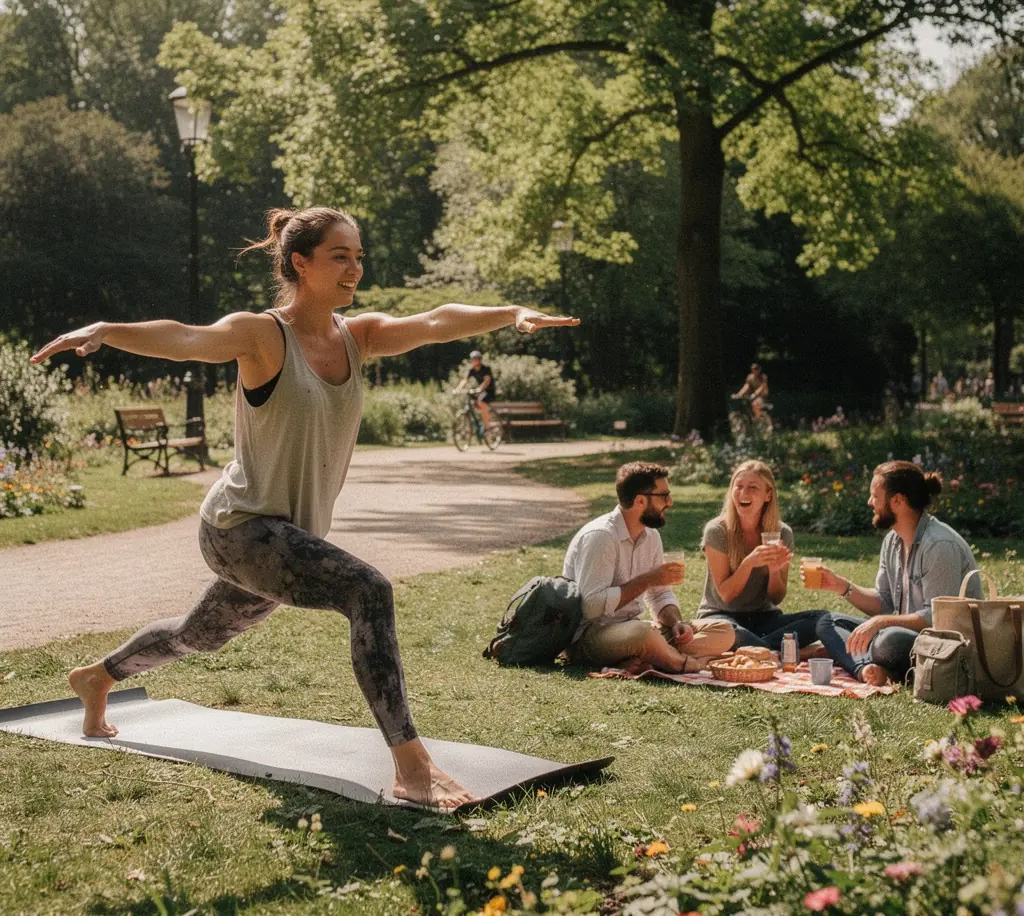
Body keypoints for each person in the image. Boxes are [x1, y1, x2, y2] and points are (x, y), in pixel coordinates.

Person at [30, 205, 579, 810]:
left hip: (285, 535)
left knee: (197, 635)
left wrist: (512, 314)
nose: (355, 269)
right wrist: (109, 329)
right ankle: (411, 764)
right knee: (367, 588)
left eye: (359, 256)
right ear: (301, 262)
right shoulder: (263, 335)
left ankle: (96, 678)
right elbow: (187, 338)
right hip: (239, 527)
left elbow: (436, 320)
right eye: (340, 256)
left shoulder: (358, 336)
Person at [810, 461, 980, 685]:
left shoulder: (939, 545)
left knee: (886, 640)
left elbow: (937, 619)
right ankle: (867, 670)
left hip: (945, 645)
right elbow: (884, 601)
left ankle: (863, 661)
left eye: (875, 496)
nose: (870, 502)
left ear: (898, 501)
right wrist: (841, 586)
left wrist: (880, 623)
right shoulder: (893, 540)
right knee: (828, 622)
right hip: (908, 638)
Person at [563, 462, 735, 673]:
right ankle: (686, 664)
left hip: (635, 631)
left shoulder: (651, 536)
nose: (670, 502)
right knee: (642, 633)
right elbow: (591, 607)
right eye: (664, 496)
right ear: (640, 501)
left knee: (724, 630)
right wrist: (647, 580)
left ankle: (648, 657)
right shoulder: (601, 537)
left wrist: (675, 624)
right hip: (591, 636)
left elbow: (659, 595)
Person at [696, 460, 828, 653]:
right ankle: (785, 652)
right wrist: (749, 562)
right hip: (720, 616)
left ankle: (761, 650)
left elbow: (776, 598)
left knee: (821, 618)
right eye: (738, 486)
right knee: (731, 632)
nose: (743, 493)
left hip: (763, 617)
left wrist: (774, 571)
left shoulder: (782, 533)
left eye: (752, 488)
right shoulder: (717, 531)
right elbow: (726, 595)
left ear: (768, 495)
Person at [453, 350, 496, 430]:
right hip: (480, 391)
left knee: (481, 402)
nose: (474, 360)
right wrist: (458, 389)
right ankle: (481, 416)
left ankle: (487, 426)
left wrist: (480, 388)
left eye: (476, 359)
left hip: (489, 391)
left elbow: (487, 380)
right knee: (472, 400)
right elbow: (465, 380)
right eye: (473, 359)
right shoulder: (472, 370)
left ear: (479, 359)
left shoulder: (486, 368)